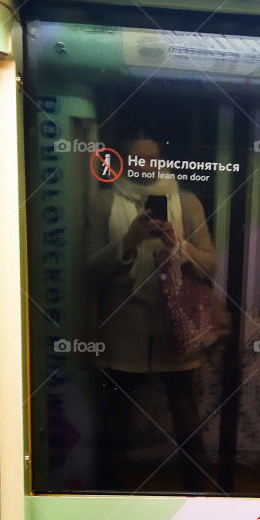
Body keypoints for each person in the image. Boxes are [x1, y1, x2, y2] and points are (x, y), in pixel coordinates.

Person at [85, 132, 222, 492]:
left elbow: (210, 265)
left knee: (186, 414)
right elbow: (88, 270)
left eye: (152, 158)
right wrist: (129, 240)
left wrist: (178, 245)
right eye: (138, 159)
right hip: (122, 331)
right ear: (125, 162)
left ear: (162, 161)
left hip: (175, 329)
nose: (146, 165)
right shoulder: (103, 204)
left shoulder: (187, 203)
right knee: (114, 419)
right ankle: (105, 495)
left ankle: (198, 495)